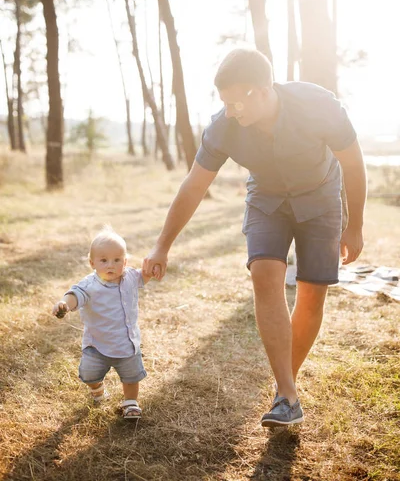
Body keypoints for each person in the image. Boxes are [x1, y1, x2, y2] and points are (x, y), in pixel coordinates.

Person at [142, 47, 366, 428]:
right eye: (224, 104)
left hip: (321, 196)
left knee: (312, 293)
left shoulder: (318, 105)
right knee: (264, 275)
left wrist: (355, 224)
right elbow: (194, 186)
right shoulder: (223, 126)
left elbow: (353, 162)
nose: (229, 112)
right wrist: (163, 244)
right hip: (266, 199)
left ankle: (283, 388)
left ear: (262, 91)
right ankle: (288, 395)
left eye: (235, 103)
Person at [52, 226, 159, 419]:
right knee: (89, 375)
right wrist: (65, 304)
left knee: (131, 377)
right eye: (104, 260)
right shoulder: (90, 285)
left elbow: (145, 276)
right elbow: (75, 294)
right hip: (97, 346)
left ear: (125, 261)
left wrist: (152, 269)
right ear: (92, 263)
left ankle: (130, 403)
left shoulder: (130, 277)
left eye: (117, 260)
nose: (111, 265)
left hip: (127, 344)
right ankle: (98, 390)